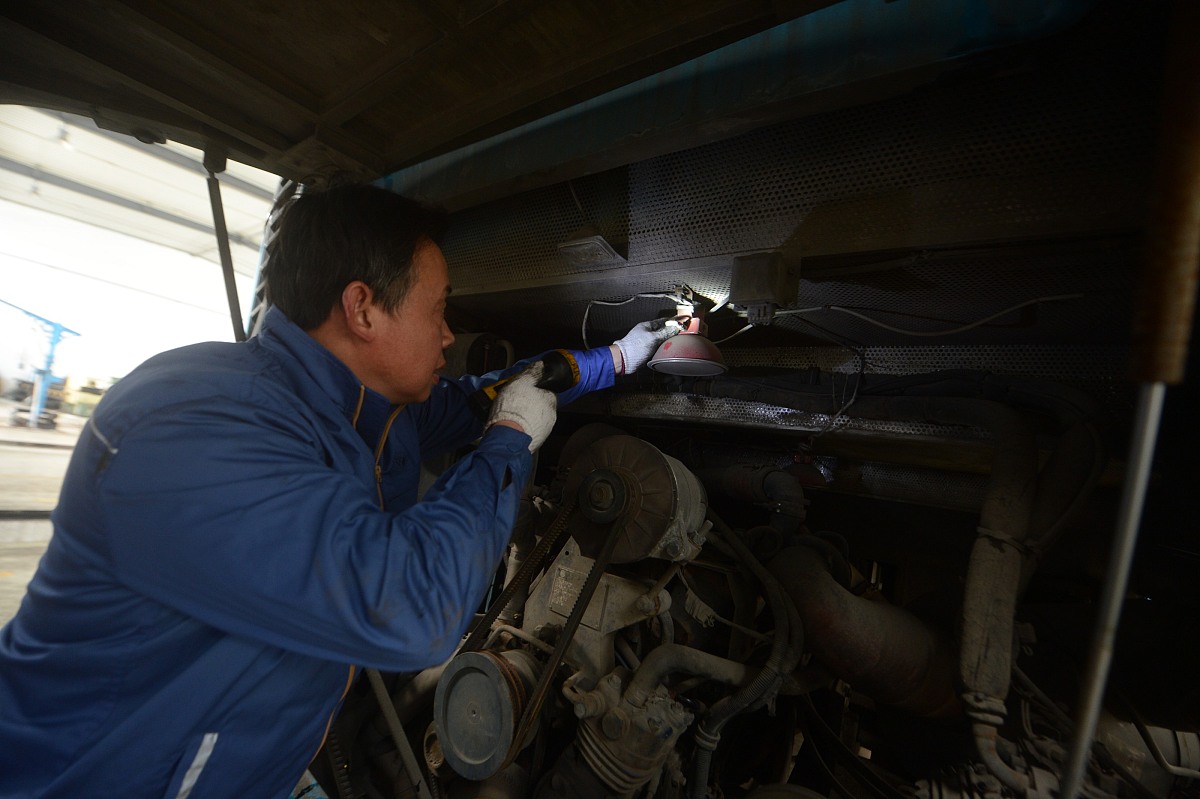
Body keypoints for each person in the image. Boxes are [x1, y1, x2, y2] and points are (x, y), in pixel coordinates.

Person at [0, 184, 678, 798]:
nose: (448, 333)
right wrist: (509, 443)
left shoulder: (381, 406)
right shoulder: (191, 422)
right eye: (438, 308)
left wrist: (614, 358)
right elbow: (411, 607)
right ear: (361, 309)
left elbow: (492, 396)